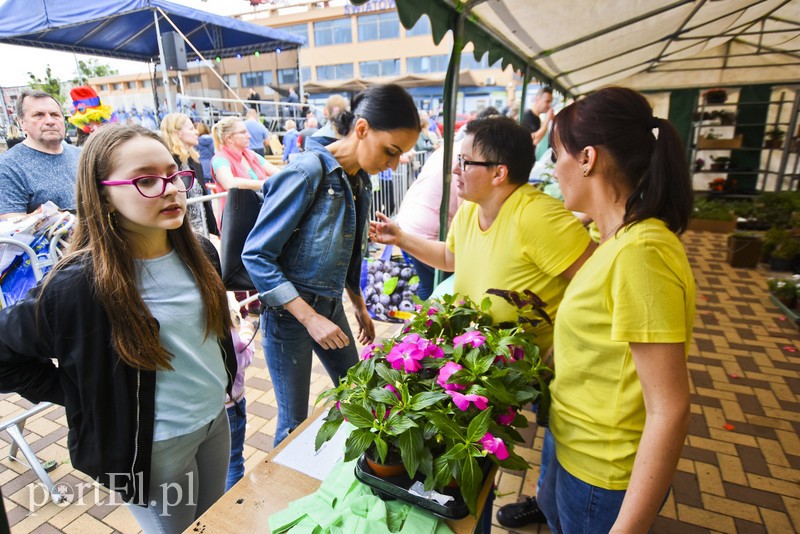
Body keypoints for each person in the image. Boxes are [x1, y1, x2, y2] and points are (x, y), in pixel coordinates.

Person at [0, 124, 238, 533]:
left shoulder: (200, 252)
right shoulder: (77, 286)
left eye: (174, 174)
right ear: (104, 195)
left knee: (212, 521)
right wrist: (80, 394)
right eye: (146, 179)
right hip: (150, 449)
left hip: (214, 420)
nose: (171, 189)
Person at [536, 86, 695, 532]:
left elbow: (670, 408)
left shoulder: (641, 255)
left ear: (587, 158)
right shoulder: (618, 241)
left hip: (602, 476)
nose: (554, 169)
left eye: (556, 155)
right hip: (575, 449)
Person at [241, 83, 421, 446]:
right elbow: (256, 255)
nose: (392, 164)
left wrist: (359, 307)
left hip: (329, 307)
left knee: (356, 392)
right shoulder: (306, 172)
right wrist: (310, 318)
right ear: (362, 129)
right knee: (293, 423)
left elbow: (352, 253)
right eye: (391, 151)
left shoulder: (361, 182)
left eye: (399, 156)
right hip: (291, 316)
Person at [370, 116, 594, 355]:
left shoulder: (539, 217)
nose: (456, 169)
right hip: (483, 361)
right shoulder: (471, 208)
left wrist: (559, 349)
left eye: (465, 162)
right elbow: (449, 257)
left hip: (527, 370)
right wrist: (400, 238)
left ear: (499, 173)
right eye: (458, 160)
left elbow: (598, 285)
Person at [211, 116, 281, 317]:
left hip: (259, 217)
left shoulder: (250, 155)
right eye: (242, 132)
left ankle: (257, 302)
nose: (249, 134)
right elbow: (230, 182)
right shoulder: (220, 159)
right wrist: (264, 184)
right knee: (237, 260)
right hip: (237, 220)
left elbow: (277, 173)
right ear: (229, 138)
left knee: (258, 256)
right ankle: (243, 308)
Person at [0, 89, 81, 219]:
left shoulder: (82, 155)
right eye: (39, 115)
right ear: (21, 123)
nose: (50, 121)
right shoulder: (8, 167)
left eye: (55, 114)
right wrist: (47, 218)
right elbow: (12, 225)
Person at [160, 113, 218, 239]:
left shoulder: (194, 160)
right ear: (177, 133)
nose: (196, 132)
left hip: (202, 231)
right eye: (191, 129)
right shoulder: (169, 164)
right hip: (183, 234)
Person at [521, 86, 554, 157]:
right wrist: (547, 120)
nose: (549, 105)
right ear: (537, 99)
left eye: (550, 102)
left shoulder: (537, 118)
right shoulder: (527, 117)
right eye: (547, 101)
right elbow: (534, 140)